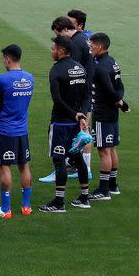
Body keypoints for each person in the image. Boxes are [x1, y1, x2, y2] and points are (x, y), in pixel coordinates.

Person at [39, 36, 91, 213]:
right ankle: (84, 198)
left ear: (61, 50)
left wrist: (74, 114)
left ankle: (59, 202)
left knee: (59, 161)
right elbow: (87, 96)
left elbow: (57, 100)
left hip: (61, 123)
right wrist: (81, 114)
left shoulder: (56, 71)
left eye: (53, 48)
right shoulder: (80, 68)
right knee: (77, 158)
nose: (51, 51)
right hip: (76, 123)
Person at [0, 45, 34, 219]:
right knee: (24, 166)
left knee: (4, 167)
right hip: (22, 130)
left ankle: (6, 208)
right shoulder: (30, 78)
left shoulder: (2, 80)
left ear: (7, 59)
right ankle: (26, 206)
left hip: (5, 130)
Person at [88, 33, 128, 200]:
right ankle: (113, 185)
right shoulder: (113, 62)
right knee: (111, 148)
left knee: (104, 151)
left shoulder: (100, 67)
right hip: (112, 113)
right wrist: (121, 102)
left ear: (99, 47)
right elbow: (119, 86)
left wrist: (120, 102)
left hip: (103, 113)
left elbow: (110, 90)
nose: (90, 49)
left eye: (91, 46)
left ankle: (103, 190)